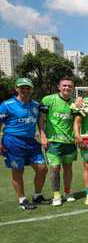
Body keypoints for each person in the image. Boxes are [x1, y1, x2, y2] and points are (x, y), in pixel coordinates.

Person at [0, 78, 49, 210]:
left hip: (31, 142)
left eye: (28, 88)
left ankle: (37, 196)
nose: (25, 90)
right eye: (22, 87)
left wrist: (43, 135)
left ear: (31, 90)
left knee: (42, 168)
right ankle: (22, 199)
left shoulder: (35, 105)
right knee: (18, 171)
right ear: (16, 88)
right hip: (13, 141)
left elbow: (40, 121)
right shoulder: (7, 104)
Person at [40, 77, 77, 206]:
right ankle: (56, 195)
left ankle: (67, 192)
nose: (67, 88)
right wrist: (43, 136)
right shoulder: (48, 100)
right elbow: (41, 119)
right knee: (55, 168)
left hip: (70, 142)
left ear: (73, 88)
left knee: (68, 168)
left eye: (69, 86)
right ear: (59, 87)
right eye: (64, 86)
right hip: (53, 142)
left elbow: (77, 122)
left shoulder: (74, 103)